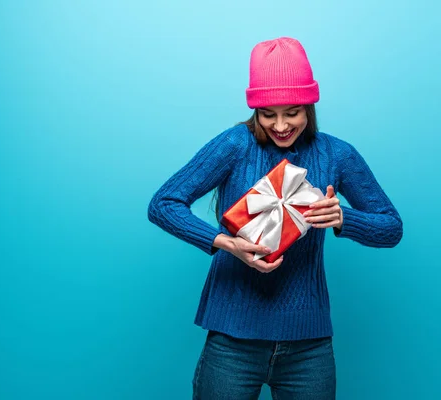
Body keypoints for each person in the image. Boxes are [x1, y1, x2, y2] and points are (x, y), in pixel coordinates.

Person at [147, 37, 403, 400]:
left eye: (292, 112)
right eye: (268, 115)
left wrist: (343, 218)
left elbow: (391, 228)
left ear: (310, 107)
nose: (281, 126)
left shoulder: (337, 154)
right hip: (231, 339)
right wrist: (225, 244)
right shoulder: (234, 145)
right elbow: (163, 204)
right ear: (255, 111)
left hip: (308, 345)